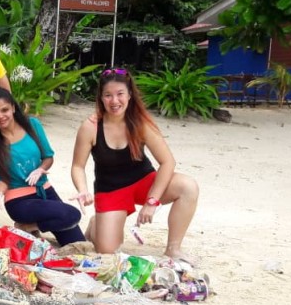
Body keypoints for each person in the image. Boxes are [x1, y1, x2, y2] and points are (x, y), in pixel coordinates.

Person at [71, 68, 199, 261]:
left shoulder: (140, 123)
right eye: (108, 95)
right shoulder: (90, 127)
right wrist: (82, 189)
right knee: (107, 251)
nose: (115, 101)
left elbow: (167, 162)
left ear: (129, 95)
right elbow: (78, 166)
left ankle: (173, 248)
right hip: (110, 190)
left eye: (120, 94)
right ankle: (97, 222)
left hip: (143, 183)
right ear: (101, 98)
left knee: (188, 186)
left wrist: (152, 201)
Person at [0, 88, 85, 246]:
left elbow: (48, 157)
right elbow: (1, 179)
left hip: (45, 191)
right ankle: (27, 224)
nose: (1, 116)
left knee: (76, 241)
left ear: (13, 107)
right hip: (19, 201)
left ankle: (28, 227)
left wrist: (41, 169)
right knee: (71, 213)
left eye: (5, 110)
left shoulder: (32, 125)